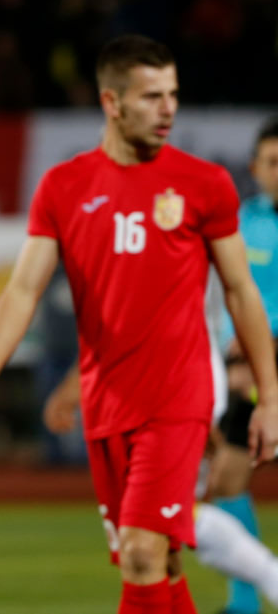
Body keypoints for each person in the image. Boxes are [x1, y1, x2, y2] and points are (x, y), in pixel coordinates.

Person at [0, 34, 278, 614]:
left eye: (173, 94)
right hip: (108, 404)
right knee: (163, 561)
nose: (168, 109)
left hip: (178, 398)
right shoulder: (65, 187)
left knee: (140, 553)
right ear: (112, 102)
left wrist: (271, 396)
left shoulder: (204, 184)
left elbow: (240, 292)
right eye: (152, 96)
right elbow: (23, 289)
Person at [44, 364, 278, 611]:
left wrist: (265, 387)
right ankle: (252, 594)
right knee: (165, 540)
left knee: (156, 529)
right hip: (154, 393)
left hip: (172, 389)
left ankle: (266, 580)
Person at [209, 117, 278, 614]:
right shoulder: (240, 222)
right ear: (254, 168)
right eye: (272, 162)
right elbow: (225, 298)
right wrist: (233, 352)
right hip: (251, 371)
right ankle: (245, 601)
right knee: (226, 481)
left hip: (265, 361)